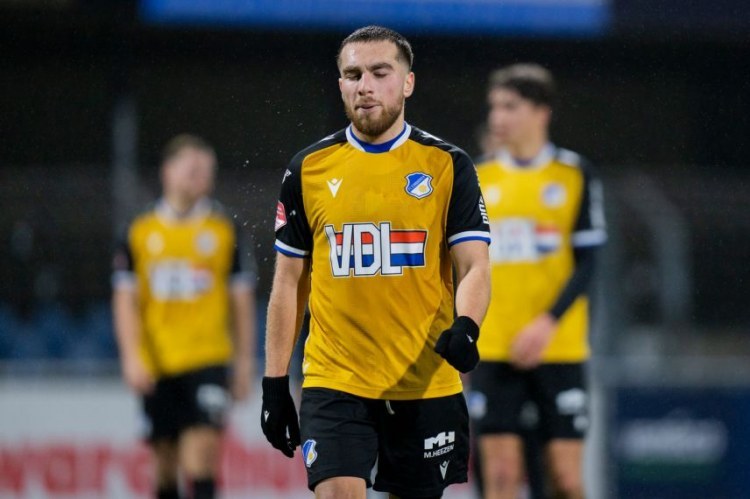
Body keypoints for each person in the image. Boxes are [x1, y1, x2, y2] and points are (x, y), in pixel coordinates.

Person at [260, 25, 491, 499]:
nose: (364, 86)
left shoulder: (448, 165)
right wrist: (274, 381)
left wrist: (467, 326)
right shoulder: (308, 169)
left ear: (407, 83)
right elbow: (288, 282)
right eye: (353, 75)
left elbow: (474, 265)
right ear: (340, 84)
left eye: (380, 73)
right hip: (334, 380)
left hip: (424, 380)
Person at [471, 64, 607, 499]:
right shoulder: (476, 177)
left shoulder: (573, 174)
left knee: (565, 480)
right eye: (494, 106)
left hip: (558, 345)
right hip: (495, 345)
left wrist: (547, 322)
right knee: (502, 478)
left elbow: (588, 262)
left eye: (510, 106)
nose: (498, 117)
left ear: (541, 112)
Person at [112, 134, 257, 499]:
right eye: (193, 169)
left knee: (201, 458)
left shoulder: (225, 229)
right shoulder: (139, 230)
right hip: (158, 362)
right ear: (168, 171)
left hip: (208, 359)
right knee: (164, 465)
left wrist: (243, 363)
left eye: (208, 170)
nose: (202, 177)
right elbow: (125, 300)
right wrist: (131, 357)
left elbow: (242, 302)